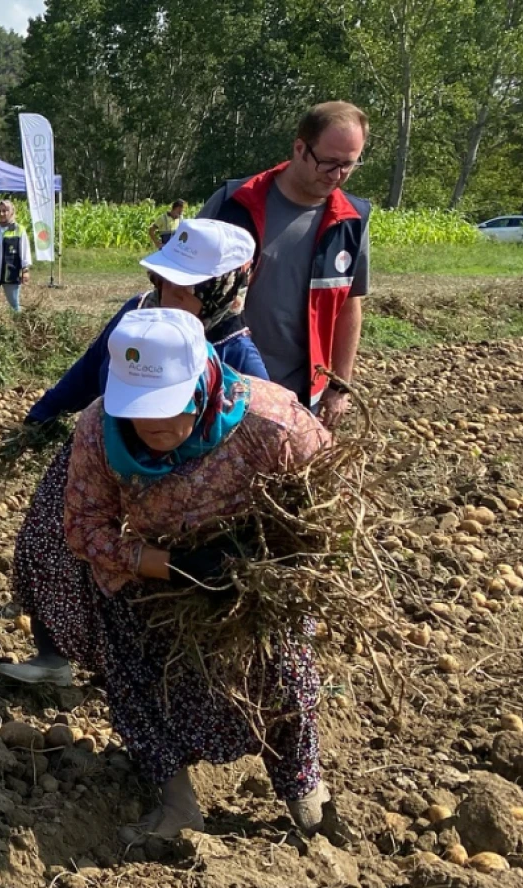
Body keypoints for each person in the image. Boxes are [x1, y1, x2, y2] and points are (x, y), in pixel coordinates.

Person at [63, 308, 333, 839]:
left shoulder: (271, 421)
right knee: (141, 681)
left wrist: (267, 554)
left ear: (202, 384)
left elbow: (326, 498)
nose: (152, 425)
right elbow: (83, 526)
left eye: (166, 407)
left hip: (253, 573)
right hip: (150, 574)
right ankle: (176, 803)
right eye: (139, 410)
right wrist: (171, 567)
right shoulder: (98, 428)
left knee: (283, 679)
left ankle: (310, 800)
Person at [0, 219, 263, 686]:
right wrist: (44, 412)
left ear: (222, 289)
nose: (167, 295)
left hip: (167, 496)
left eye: (185, 288)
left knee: (138, 586)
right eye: (164, 281)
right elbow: (91, 367)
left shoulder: (236, 356)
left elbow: (266, 430)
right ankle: (52, 656)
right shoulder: (137, 314)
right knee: (44, 546)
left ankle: (131, 675)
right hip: (99, 463)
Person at [199, 101, 371, 428]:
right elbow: (178, 288)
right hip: (223, 385)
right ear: (300, 148)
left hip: (302, 397)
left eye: (348, 165)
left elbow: (350, 305)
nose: (337, 176)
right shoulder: (233, 204)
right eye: (328, 163)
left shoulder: (352, 221)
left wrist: (340, 385)